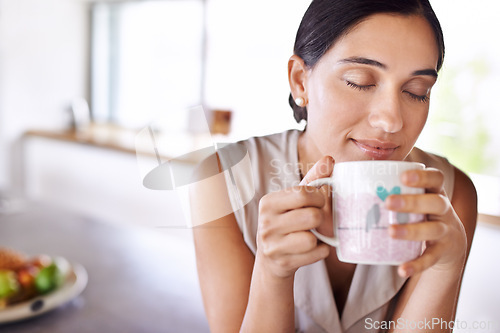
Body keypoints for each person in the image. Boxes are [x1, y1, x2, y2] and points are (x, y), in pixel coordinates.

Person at [192, 0, 478, 332]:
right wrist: (271, 274)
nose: (391, 120)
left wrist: (445, 268)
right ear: (300, 81)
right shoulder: (223, 180)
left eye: (416, 91)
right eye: (359, 80)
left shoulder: (449, 198)